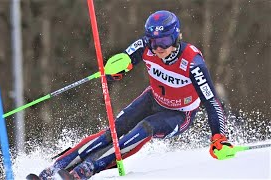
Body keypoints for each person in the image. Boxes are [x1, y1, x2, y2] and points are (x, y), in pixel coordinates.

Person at [33, 10, 234, 180]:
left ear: (176, 36)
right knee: (112, 132)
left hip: (179, 114)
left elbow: (212, 102)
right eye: (154, 42)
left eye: (164, 41)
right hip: (152, 99)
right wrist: (115, 70)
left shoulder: (192, 61)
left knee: (144, 128)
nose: (158, 48)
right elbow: (124, 60)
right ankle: (53, 170)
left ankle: (89, 168)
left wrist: (219, 136)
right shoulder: (146, 46)